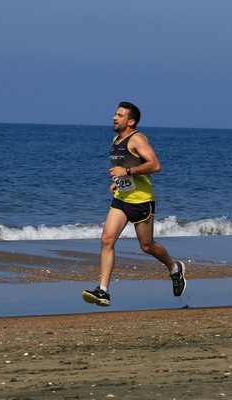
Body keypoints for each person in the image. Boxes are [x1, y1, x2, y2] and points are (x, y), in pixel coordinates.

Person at [82, 101, 186, 306]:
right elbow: (123, 167)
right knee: (107, 240)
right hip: (122, 199)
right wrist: (117, 182)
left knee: (147, 246)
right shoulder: (116, 139)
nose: (114, 117)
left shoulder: (137, 139)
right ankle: (103, 291)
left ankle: (174, 269)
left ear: (131, 121)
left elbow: (155, 165)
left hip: (142, 202)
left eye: (120, 115)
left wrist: (127, 172)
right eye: (115, 114)